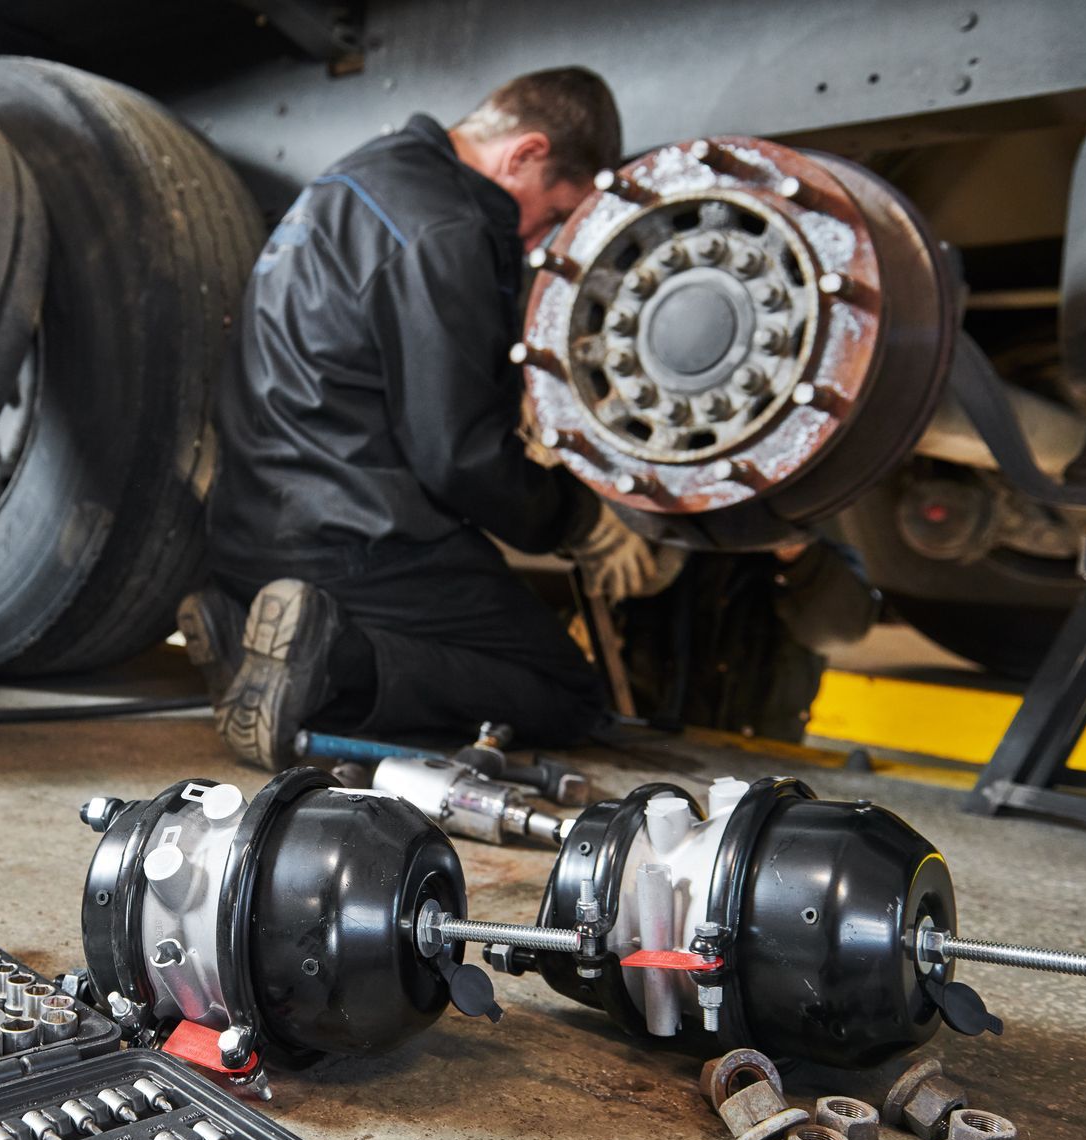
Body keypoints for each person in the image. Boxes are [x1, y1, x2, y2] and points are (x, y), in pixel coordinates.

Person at [178, 67, 666, 768]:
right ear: (524, 153)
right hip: (350, 539)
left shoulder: (358, 177)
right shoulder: (449, 225)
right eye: (556, 212)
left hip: (252, 525)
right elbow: (458, 456)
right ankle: (333, 662)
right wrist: (577, 520)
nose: (542, 242)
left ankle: (244, 624)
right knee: (567, 694)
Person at [621, 542, 881, 743]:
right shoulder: (655, 546)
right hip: (651, 746)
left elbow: (842, 630)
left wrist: (797, 552)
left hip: (760, 757)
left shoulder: (809, 554)